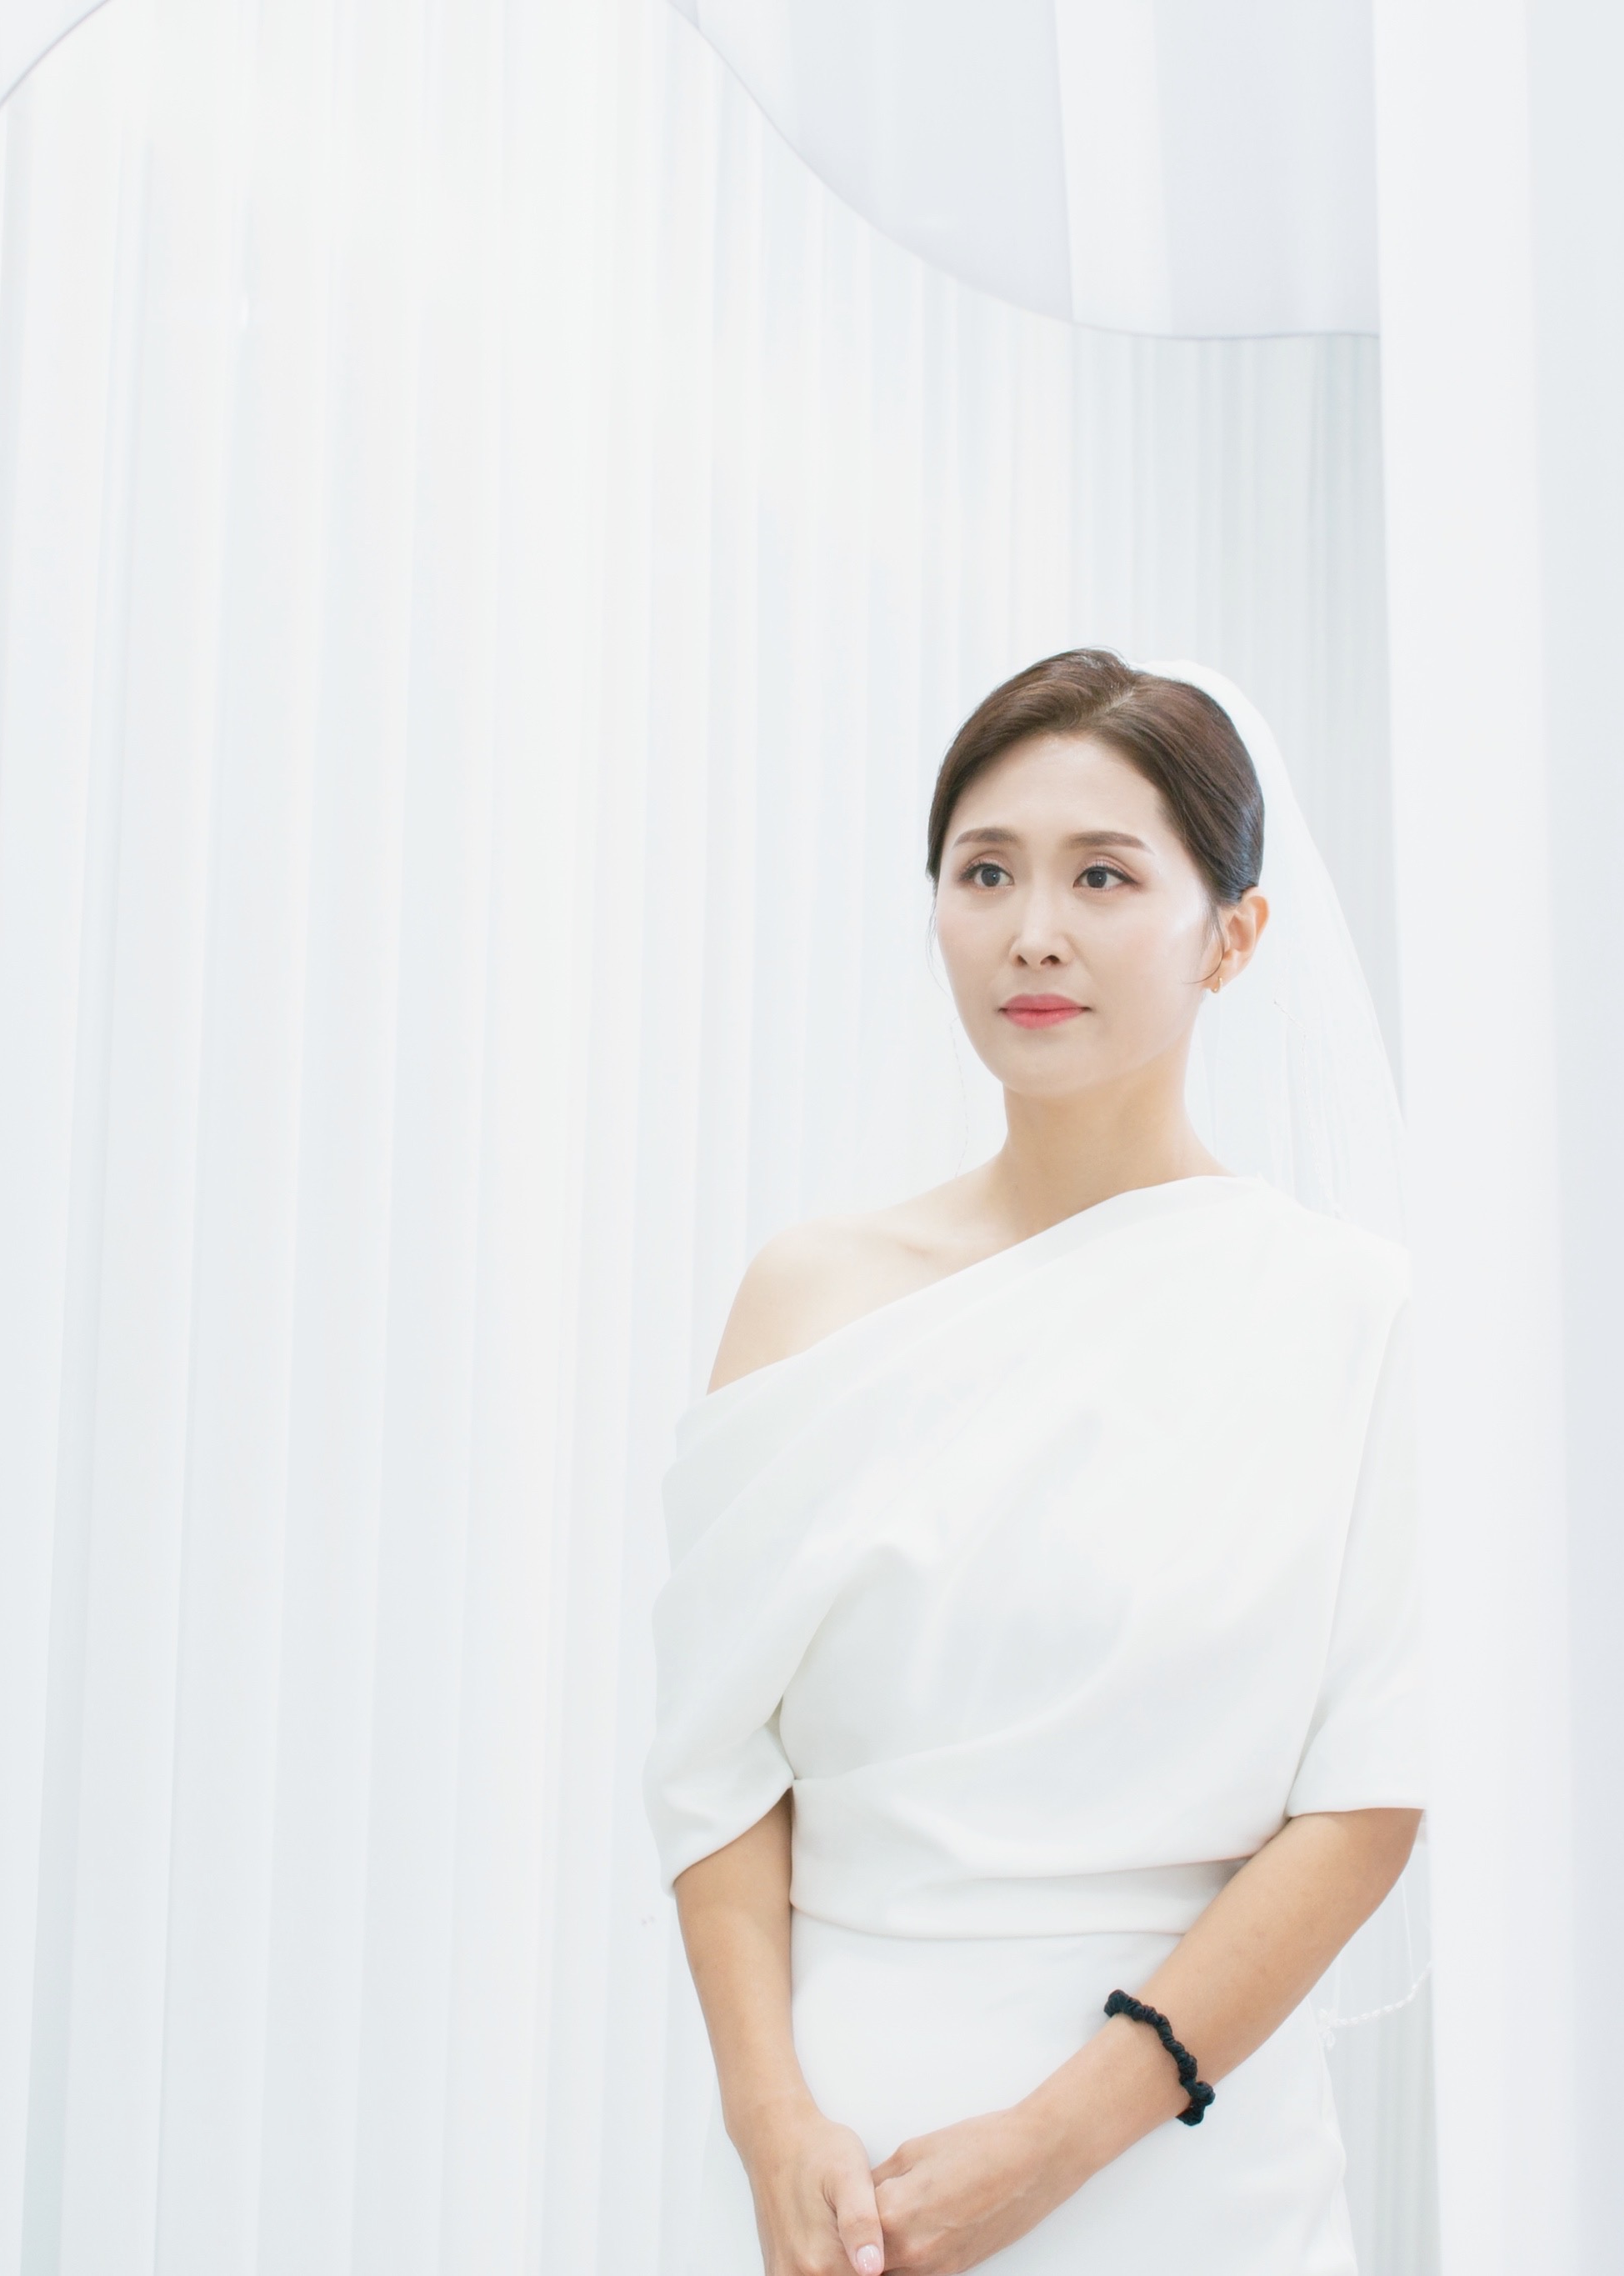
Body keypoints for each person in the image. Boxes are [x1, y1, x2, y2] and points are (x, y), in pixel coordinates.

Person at [643, 650, 1432, 2274]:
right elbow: (715, 1765)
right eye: (985, 872)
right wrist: (769, 2123)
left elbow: (1365, 1801)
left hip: (1187, 2164)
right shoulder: (810, 1298)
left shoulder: (1343, 1314)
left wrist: (1058, 2140)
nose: (1033, 931)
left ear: (1233, 935)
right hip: (835, 2179)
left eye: (1102, 876)